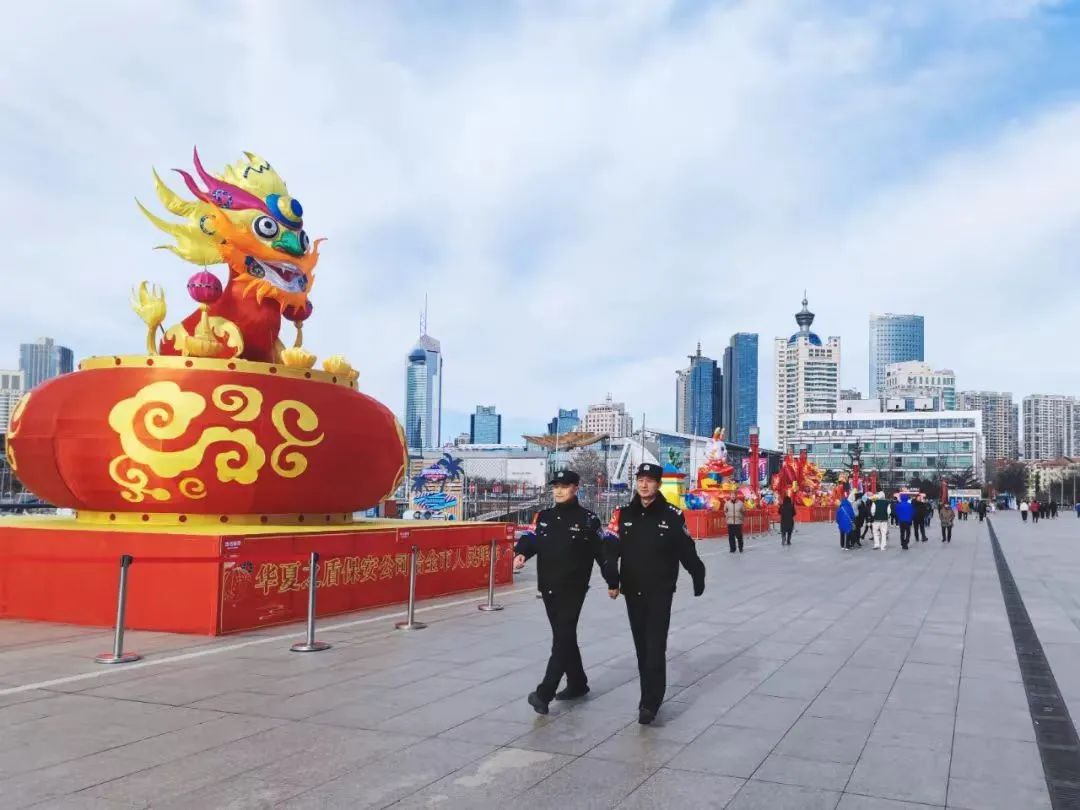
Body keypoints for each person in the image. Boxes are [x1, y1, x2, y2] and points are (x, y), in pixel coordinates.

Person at [606, 462, 705, 725]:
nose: (644, 484)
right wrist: (612, 577)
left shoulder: (672, 515)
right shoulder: (622, 514)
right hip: (632, 590)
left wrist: (698, 574)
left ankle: (651, 703)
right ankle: (645, 697)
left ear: (658, 485)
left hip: (660, 590)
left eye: (649, 480)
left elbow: (686, 549)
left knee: (655, 645)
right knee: (642, 647)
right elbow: (610, 548)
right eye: (640, 479)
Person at [514, 469, 617, 716]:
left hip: (573, 588)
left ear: (575, 488)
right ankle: (578, 682)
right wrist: (521, 553)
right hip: (548, 586)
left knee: (561, 640)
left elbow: (602, 553)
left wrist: (612, 581)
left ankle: (544, 693)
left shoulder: (588, 520)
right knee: (565, 637)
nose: (559, 491)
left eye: (564, 486)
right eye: (556, 486)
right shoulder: (544, 516)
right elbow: (531, 537)